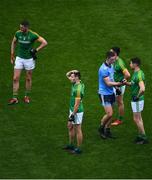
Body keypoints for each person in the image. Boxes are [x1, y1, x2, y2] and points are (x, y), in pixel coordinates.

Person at [8, 20, 48, 104]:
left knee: (28, 78)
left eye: (22, 27)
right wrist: (12, 54)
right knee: (15, 78)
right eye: (20, 27)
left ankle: (26, 96)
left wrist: (36, 50)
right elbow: (13, 42)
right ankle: (15, 98)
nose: (20, 28)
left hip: (29, 59)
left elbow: (44, 42)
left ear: (27, 27)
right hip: (19, 58)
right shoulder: (18, 33)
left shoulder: (33, 35)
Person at [98, 51, 126, 139]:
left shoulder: (111, 66)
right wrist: (119, 84)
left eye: (115, 59)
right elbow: (108, 83)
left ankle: (107, 130)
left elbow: (112, 78)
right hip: (104, 93)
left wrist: (117, 89)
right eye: (112, 59)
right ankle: (101, 128)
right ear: (108, 58)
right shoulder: (103, 69)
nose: (114, 61)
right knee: (109, 114)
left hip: (111, 92)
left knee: (112, 113)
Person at [124, 57, 148, 144]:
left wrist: (137, 97)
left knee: (136, 119)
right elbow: (134, 83)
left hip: (137, 100)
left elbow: (142, 89)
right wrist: (126, 83)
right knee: (139, 118)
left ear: (135, 64)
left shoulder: (138, 75)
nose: (130, 65)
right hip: (137, 100)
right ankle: (140, 135)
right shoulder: (136, 73)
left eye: (130, 63)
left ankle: (144, 137)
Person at [63, 70, 85, 154]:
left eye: (72, 77)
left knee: (78, 129)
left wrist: (72, 115)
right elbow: (66, 74)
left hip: (77, 111)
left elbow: (77, 104)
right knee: (70, 126)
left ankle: (79, 149)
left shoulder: (78, 89)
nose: (70, 78)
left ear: (77, 77)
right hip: (72, 109)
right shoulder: (75, 83)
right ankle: (71, 144)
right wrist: (73, 72)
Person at [110, 47, 130, 126]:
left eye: (111, 52)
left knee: (119, 102)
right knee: (112, 102)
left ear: (115, 54)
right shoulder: (113, 60)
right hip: (114, 84)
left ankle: (119, 120)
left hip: (119, 86)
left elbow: (127, 75)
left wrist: (121, 83)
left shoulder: (120, 63)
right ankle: (110, 116)